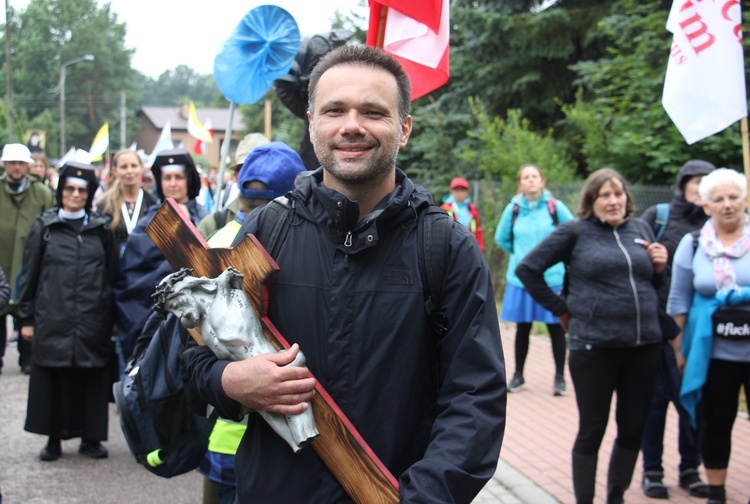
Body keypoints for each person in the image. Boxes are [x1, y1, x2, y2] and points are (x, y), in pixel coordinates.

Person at [183, 45, 506, 503]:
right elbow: (195, 353)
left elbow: (475, 400)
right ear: (312, 123)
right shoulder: (264, 233)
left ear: (405, 128)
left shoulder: (445, 249)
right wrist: (228, 382)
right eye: (335, 110)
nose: (352, 125)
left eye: (373, 111)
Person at [516, 167, 668, 504]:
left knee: (632, 428)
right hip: (594, 348)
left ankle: (616, 496)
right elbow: (527, 269)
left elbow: (655, 288)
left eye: (618, 194)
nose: (613, 201)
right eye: (605, 195)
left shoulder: (640, 229)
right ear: (592, 200)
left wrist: (659, 268)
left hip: (644, 347)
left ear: (627, 198)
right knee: (592, 429)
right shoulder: (575, 231)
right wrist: (562, 309)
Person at [200, 141, 306, 504]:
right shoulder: (305, 245)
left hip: (224, 429)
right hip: (293, 437)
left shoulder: (217, 243)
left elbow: (194, 344)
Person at [17, 162, 119, 461]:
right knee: (54, 379)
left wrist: (112, 317)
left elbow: (113, 277)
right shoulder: (44, 227)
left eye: (81, 190)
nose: (75, 194)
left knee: (90, 378)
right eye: (69, 189)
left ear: (89, 194)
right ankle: (53, 440)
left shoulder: (101, 230)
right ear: (60, 191)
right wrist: (27, 318)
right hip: (53, 318)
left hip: (92, 318)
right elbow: (30, 275)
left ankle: (91, 438)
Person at [667, 168, 750, 504]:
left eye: (734, 197)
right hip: (711, 353)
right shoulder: (694, 243)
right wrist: (678, 350)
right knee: (716, 423)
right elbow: (678, 299)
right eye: (719, 199)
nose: (727, 204)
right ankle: (716, 492)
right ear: (706, 205)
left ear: (745, 200)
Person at [638, 159, 715, 499]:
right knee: (655, 403)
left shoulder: (718, 227)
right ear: (682, 185)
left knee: (693, 401)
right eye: (694, 182)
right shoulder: (659, 217)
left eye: (706, 183)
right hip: (655, 328)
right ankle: (652, 470)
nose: (699, 188)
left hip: (700, 332)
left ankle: (690, 467)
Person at [114, 148, 207, 361]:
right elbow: (132, 276)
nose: (172, 183)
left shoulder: (205, 219)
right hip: (149, 316)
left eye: (178, 177)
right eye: (167, 178)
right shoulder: (147, 223)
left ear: (189, 180)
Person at [495, 164, 574, 396]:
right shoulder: (514, 209)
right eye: (526, 177)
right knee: (523, 327)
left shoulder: (555, 207)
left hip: (552, 278)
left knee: (556, 328)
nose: (530, 180)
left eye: (534, 176)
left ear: (542, 181)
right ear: (520, 184)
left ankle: (560, 378)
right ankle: (518, 375)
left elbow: (573, 232)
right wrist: (521, 256)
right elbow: (502, 238)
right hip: (523, 280)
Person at [0, 143, 56, 375]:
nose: (16, 167)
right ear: (4, 164)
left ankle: (27, 357)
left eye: (20, 163)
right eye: (12, 163)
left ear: (28, 166)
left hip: (30, 260)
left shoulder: (41, 193)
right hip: (2, 258)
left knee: (27, 308)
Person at [197, 133, 270, 240]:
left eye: (261, 168)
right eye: (247, 169)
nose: (255, 175)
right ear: (236, 176)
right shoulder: (212, 225)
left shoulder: (289, 220)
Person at [95, 149, 158, 256]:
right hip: (114, 266)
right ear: (114, 171)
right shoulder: (104, 204)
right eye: (124, 167)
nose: (129, 171)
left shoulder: (153, 203)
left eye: (134, 166)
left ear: (141, 168)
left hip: (145, 267)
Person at [440, 176, 485, 252]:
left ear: (467, 192)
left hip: (469, 247)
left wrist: (479, 249)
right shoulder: (444, 209)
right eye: (457, 190)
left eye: (462, 190)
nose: (459, 193)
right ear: (451, 191)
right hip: (450, 248)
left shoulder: (472, 209)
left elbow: (477, 230)